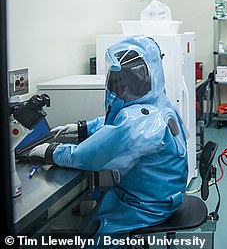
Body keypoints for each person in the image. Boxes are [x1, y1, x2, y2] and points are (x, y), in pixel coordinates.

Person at [28, 35, 188, 241]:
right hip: (158, 195)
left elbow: (89, 155)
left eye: (119, 80)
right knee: (94, 206)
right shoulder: (158, 104)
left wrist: (50, 151)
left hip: (147, 206)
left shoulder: (140, 122)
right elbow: (118, 125)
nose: (115, 85)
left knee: (95, 236)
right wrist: (83, 128)